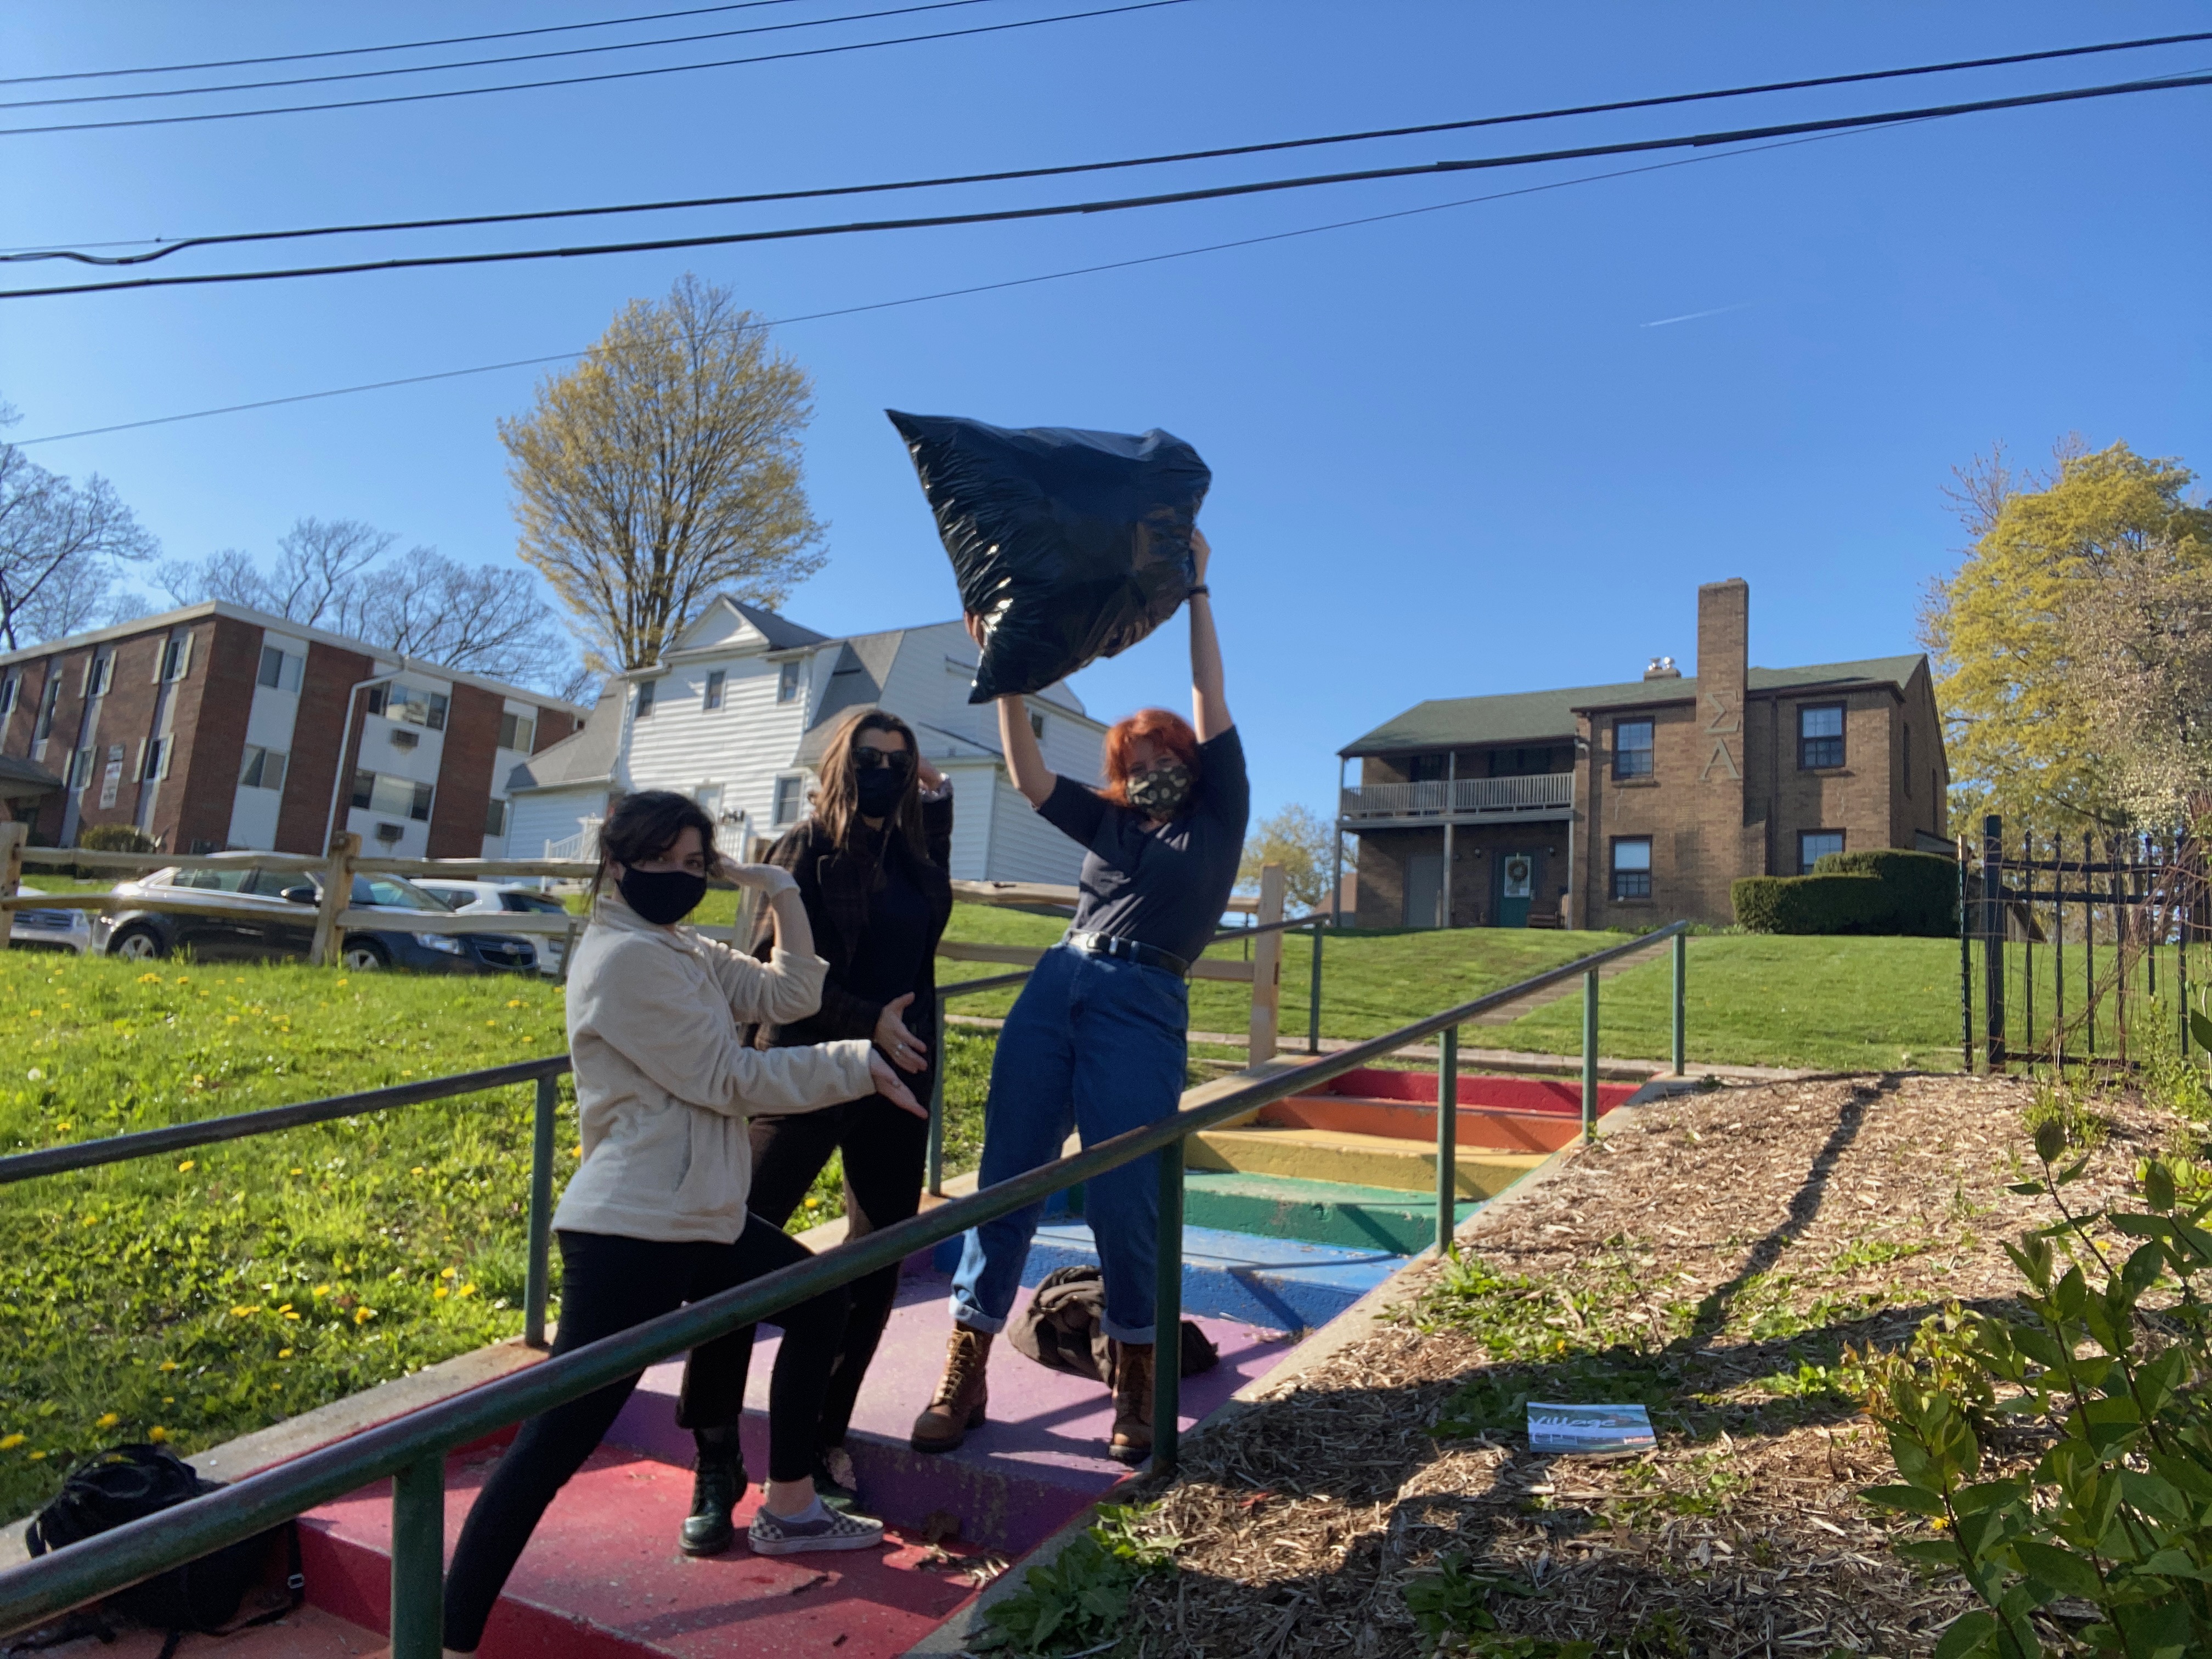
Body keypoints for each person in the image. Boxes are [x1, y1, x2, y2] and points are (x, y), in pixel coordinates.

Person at [441, 791, 928, 1656]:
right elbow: (729, 1078)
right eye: (660, 861)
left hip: (699, 1216)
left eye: (695, 864)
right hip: (633, 1231)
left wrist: (779, 888)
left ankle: (788, 1505)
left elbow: (793, 991)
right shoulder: (621, 960)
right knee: (552, 1448)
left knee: (817, 1302)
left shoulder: (678, 947)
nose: (678, 878)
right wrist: (859, 1062)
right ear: (617, 864)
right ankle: (443, 1635)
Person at [911, 527, 1243, 1465]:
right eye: (1133, 759)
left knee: (1124, 1190)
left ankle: (1136, 1380)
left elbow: (1209, 700)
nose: (1150, 767)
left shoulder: (1217, 817)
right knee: (1009, 1172)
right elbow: (1025, 776)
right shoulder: (1109, 820)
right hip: (1059, 981)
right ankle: (965, 1365)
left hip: (1143, 999)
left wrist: (1200, 593)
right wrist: (1003, 671)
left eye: (1162, 752)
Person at [721, 707, 955, 1510]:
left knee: (877, 1254)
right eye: (870, 757)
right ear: (839, 763)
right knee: (733, 1248)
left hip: (904, 1072)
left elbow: (936, 836)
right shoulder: (805, 848)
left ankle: (825, 1432)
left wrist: (937, 782)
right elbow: (768, 970)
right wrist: (868, 1020)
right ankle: (715, 1457)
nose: (886, 771)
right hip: (804, 1068)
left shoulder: (918, 853)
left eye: (900, 758)